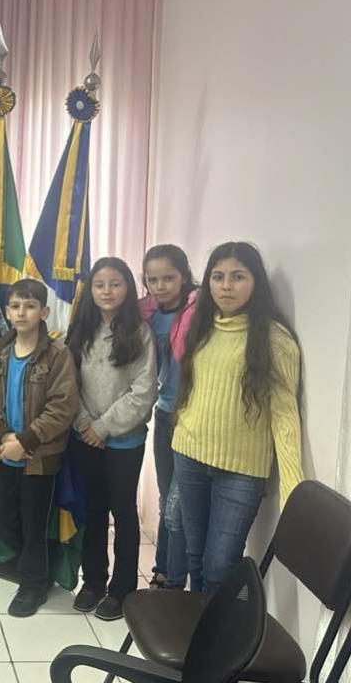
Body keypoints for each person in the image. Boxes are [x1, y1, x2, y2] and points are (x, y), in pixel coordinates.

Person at [173, 241, 303, 593]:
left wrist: (293, 490)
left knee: (220, 566)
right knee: (195, 557)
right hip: (189, 455)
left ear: (256, 281)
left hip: (242, 471)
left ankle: (216, 628)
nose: (226, 286)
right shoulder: (202, 326)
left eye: (237, 277)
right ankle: (199, 624)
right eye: (217, 277)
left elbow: (285, 416)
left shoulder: (275, 340)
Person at [0, 278, 79, 616]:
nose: (22, 312)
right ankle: (34, 564)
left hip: (38, 457)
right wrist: (5, 435)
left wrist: (25, 441)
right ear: (7, 311)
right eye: (16, 306)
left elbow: (62, 407)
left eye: (30, 306)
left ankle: (33, 584)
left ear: (44, 312)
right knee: (1, 517)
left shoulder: (58, 354)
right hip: (2, 452)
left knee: (35, 522)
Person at [67, 257, 157, 621]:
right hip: (84, 436)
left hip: (124, 442)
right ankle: (93, 582)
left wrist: (103, 427)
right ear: (90, 289)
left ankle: (122, 590)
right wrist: (84, 424)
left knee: (123, 512)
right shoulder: (80, 330)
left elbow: (143, 391)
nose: (107, 291)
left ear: (128, 288)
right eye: (100, 284)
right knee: (93, 511)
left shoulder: (140, 332)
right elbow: (67, 383)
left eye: (115, 284)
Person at [139, 244, 198, 589]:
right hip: (164, 416)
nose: (160, 286)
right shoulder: (146, 314)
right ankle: (163, 570)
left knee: (181, 504)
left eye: (168, 278)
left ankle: (176, 578)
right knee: (168, 500)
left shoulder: (200, 310)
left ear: (184, 275)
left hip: (193, 418)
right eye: (153, 280)